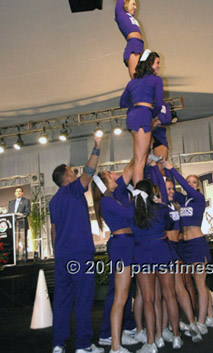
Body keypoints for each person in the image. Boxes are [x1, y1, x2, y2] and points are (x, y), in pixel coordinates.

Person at [49, 133, 104, 353]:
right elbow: (89, 172)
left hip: (62, 257)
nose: (75, 171)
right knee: (83, 300)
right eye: (71, 171)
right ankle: (83, 345)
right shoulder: (72, 190)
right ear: (67, 177)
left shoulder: (54, 201)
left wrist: (58, 254)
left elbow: (53, 231)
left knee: (62, 302)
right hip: (80, 255)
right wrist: (97, 147)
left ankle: (58, 344)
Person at [162, 162, 213, 335]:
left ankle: (201, 323)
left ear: (198, 187)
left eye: (194, 183)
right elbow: (168, 189)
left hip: (197, 243)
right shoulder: (183, 199)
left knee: (200, 284)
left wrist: (171, 168)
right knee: (198, 283)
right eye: (189, 182)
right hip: (185, 246)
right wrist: (163, 170)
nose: (191, 185)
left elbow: (182, 184)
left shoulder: (198, 199)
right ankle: (211, 316)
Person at [92, 161, 139, 353]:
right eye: (109, 175)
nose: (113, 175)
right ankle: (113, 343)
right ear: (103, 183)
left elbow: (129, 170)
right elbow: (129, 213)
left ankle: (117, 335)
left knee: (124, 293)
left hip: (126, 243)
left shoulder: (114, 197)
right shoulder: (106, 201)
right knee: (120, 295)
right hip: (121, 245)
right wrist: (138, 197)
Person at [131, 179, 182, 353]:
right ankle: (176, 337)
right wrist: (162, 205)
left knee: (148, 300)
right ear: (152, 192)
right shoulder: (160, 209)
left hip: (142, 254)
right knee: (170, 295)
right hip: (161, 250)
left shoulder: (132, 212)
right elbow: (171, 224)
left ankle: (152, 342)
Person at [120, 51, 163, 186]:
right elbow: (159, 103)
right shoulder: (156, 80)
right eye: (157, 63)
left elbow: (122, 103)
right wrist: (151, 114)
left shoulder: (132, 82)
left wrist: (135, 105)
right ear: (150, 64)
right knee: (140, 160)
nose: (159, 66)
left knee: (138, 157)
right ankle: (140, 195)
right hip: (144, 115)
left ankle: (130, 188)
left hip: (133, 116)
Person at [110, 0, 144, 78]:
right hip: (133, 45)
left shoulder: (131, 16)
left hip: (139, 45)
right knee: (136, 78)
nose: (135, 7)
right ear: (126, 4)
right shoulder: (120, 13)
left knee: (142, 76)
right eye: (133, 4)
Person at [8, 187, 31, 260]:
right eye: (16, 191)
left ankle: (24, 257)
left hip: (22, 223)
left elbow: (27, 212)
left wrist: (20, 215)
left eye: (19, 191)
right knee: (14, 241)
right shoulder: (11, 202)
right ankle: (14, 257)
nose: (18, 192)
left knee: (23, 241)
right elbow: (9, 213)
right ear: (14, 193)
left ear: (22, 193)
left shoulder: (26, 201)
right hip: (14, 225)